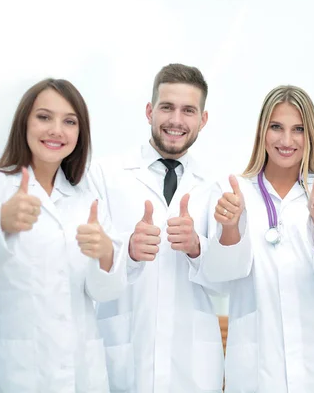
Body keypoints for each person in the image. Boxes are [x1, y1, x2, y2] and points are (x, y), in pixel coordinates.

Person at [196, 85, 314, 392]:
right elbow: (221, 279)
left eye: (298, 129)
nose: (286, 140)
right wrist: (231, 227)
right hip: (260, 365)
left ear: (311, 135)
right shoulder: (232, 191)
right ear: (262, 131)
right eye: (276, 127)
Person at [0, 78, 127, 392]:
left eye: (69, 121)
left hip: (80, 372)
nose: (56, 130)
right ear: (24, 122)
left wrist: (105, 253)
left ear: (80, 133)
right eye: (44, 117)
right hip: (15, 372)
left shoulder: (89, 201)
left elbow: (105, 292)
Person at [90, 63, 224, 393]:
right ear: (150, 111)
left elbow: (227, 280)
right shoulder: (105, 175)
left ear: (202, 120)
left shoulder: (216, 185)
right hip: (123, 353)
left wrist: (197, 247)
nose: (176, 120)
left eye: (188, 110)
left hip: (192, 367)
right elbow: (86, 268)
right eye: (167, 107)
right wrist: (128, 251)